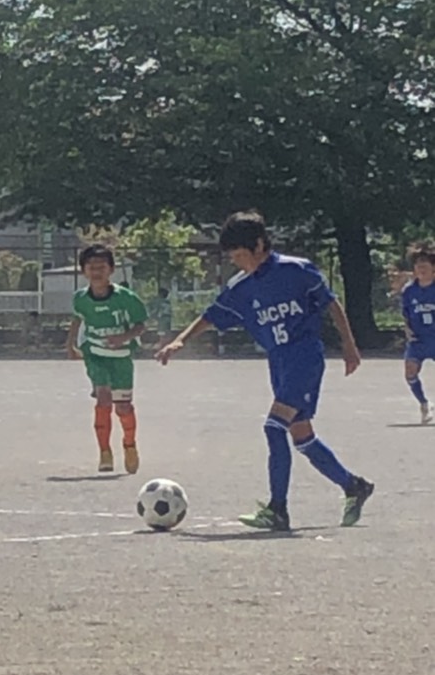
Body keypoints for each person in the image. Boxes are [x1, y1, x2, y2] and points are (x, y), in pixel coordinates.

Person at [157, 211, 373, 530]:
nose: (239, 262)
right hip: (279, 360)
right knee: (301, 436)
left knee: (274, 427)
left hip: (304, 356)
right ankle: (354, 486)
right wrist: (180, 340)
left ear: (259, 244)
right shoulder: (242, 287)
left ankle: (278, 510)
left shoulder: (296, 270)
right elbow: (212, 315)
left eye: (242, 255)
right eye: (234, 257)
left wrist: (349, 345)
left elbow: (331, 303)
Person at [65, 244, 148, 473]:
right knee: (103, 398)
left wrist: (124, 337)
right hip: (95, 354)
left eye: (101, 267)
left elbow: (141, 325)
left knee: (123, 407)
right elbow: (77, 319)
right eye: (91, 267)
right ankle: (104, 452)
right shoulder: (80, 298)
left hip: (121, 358)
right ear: (84, 271)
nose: (96, 271)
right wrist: (70, 344)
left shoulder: (126, 298)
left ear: (111, 270)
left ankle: (129, 445)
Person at [399, 241, 435, 425]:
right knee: (410, 372)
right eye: (417, 267)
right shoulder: (409, 290)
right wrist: (408, 331)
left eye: (425, 267)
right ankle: (424, 404)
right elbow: (406, 314)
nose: (420, 270)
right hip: (419, 340)